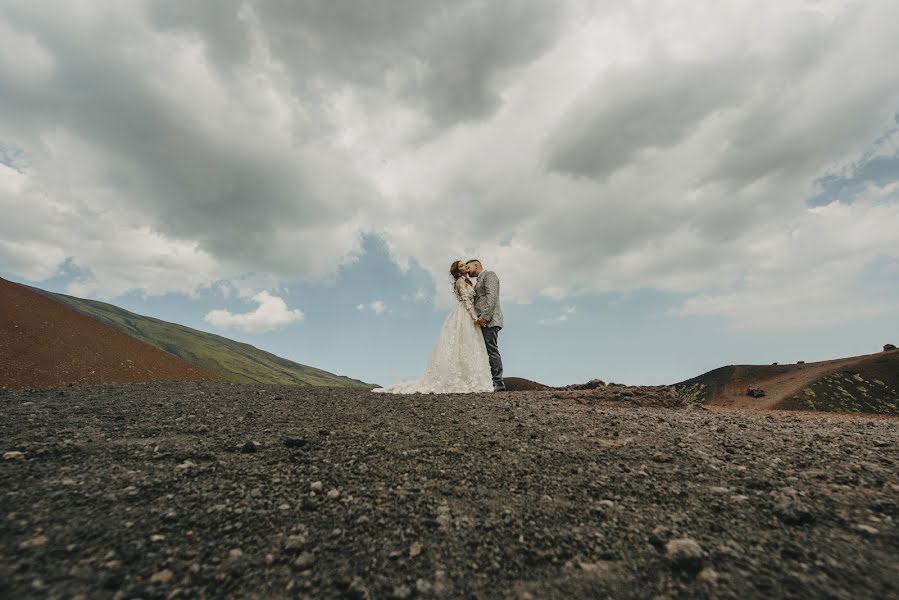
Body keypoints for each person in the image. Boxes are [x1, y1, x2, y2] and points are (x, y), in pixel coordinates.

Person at [371, 260, 494, 394]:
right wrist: (474, 318)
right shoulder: (460, 282)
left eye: (465, 265)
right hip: (464, 314)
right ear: (458, 271)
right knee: (459, 344)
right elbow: (466, 301)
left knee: (468, 345)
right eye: (462, 266)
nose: (465, 267)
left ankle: (470, 378)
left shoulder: (468, 282)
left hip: (469, 315)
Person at [466, 259, 506, 392]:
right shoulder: (477, 281)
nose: (466, 269)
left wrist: (485, 317)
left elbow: (492, 297)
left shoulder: (489, 275)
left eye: (468, 266)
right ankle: (489, 381)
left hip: (490, 320)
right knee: (485, 351)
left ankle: (498, 382)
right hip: (482, 321)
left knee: (491, 350)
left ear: (476, 265)